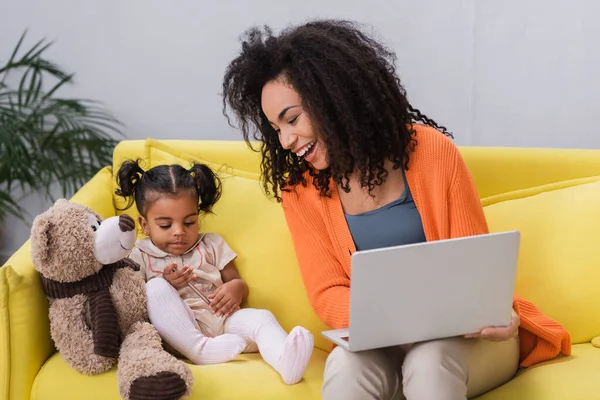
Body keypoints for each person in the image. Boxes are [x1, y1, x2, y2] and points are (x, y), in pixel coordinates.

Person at [221, 19, 571, 399]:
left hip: (470, 339)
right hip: (381, 341)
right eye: (275, 129)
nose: (286, 139)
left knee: (429, 361)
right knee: (343, 366)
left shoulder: (433, 153)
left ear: (334, 98)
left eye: (292, 119)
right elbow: (328, 292)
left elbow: (476, 269)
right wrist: (396, 325)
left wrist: (486, 313)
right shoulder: (300, 192)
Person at [114, 159, 314, 385]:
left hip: (225, 325)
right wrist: (167, 283)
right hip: (181, 335)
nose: (179, 232)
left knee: (261, 318)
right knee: (155, 288)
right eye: (166, 225)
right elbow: (135, 304)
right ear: (145, 223)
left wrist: (235, 289)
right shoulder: (138, 254)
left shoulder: (211, 244)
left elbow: (238, 283)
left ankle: (285, 361)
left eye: (189, 222)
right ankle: (199, 350)